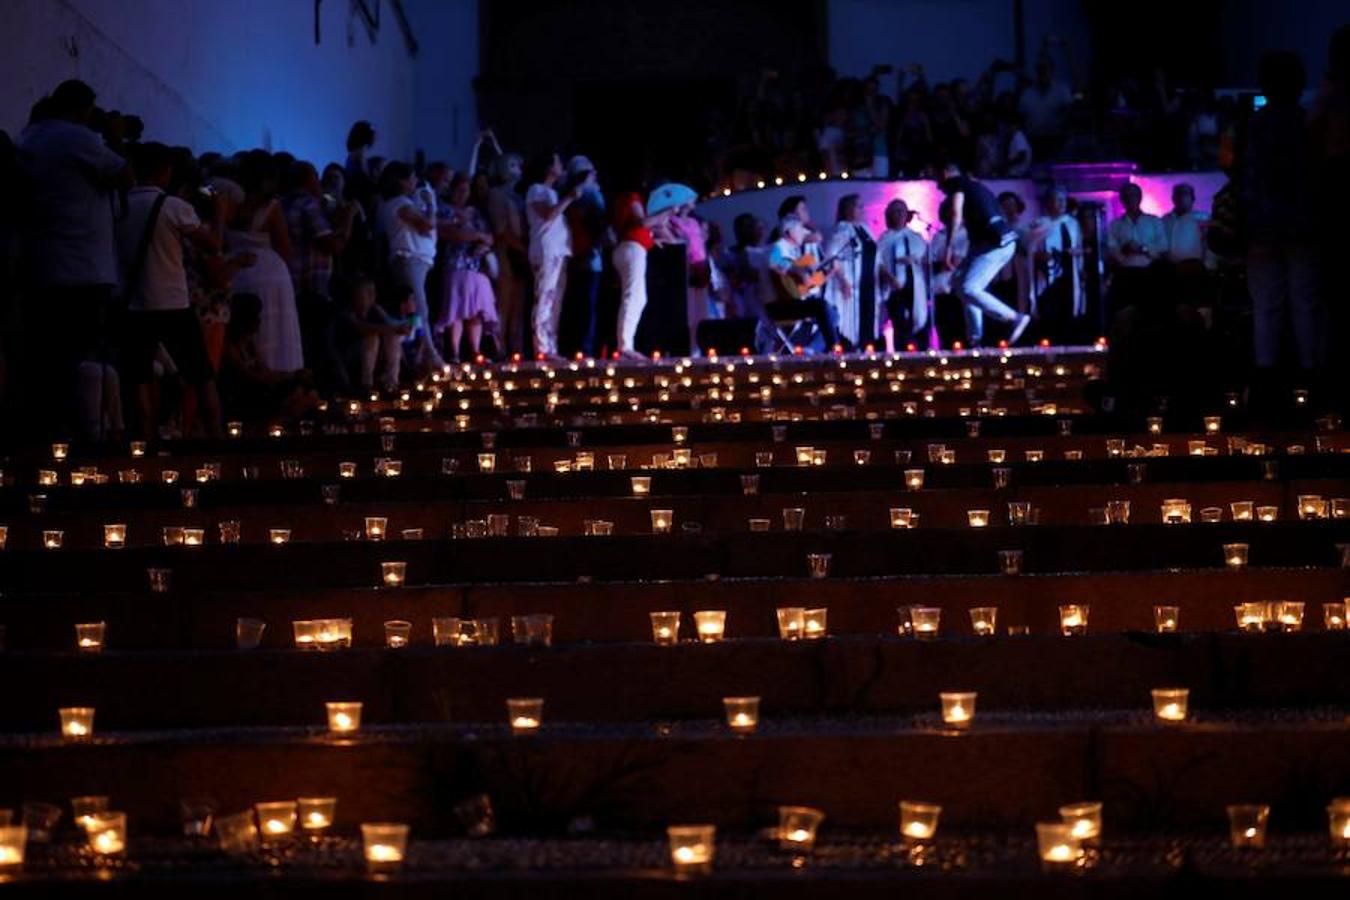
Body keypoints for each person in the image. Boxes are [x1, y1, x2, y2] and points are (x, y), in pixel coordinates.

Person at [17, 78, 134, 439]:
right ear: (83, 110)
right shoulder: (76, 138)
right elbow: (125, 175)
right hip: (82, 268)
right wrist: (114, 137)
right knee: (75, 358)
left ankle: (43, 432)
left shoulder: (29, 137)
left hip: (41, 263)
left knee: (45, 357)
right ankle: (73, 436)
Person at [115, 141, 224, 439]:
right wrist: (219, 212)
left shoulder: (118, 205)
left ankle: (145, 451)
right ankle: (217, 443)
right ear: (165, 171)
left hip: (135, 306)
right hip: (174, 304)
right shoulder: (174, 207)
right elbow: (213, 245)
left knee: (139, 380)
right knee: (202, 376)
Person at [1244, 51, 1325, 381]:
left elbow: (1241, 174)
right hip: (1303, 225)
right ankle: (1310, 379)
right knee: (1305, 303)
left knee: (1266, 307)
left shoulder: (1254, 126)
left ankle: (1266, 380)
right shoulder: (1307, 124)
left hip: (1261, 228)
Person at [225, 151, 304, 374]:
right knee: (275, 330)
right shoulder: (271, 206)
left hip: (235, 270)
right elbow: (284, 246)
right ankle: (281, 380)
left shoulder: (226, 201)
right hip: (270, 273)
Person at [938, 163, 1032, 346]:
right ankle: (975, 339)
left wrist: (947, 250)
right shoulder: (977, 188)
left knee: (969, 287)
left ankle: (1014, 318)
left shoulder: (957, 182)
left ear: (945, 173)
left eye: (937, 178)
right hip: (992, 243)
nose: (937, 186)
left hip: (996, 243)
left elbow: (956, 215)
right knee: (958, 282)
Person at [283, 160, 354, 393]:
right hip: (312, 288)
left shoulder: (282, 203)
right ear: (307, 179)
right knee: (321, 346)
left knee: (307, 345)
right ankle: (329, 397)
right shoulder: (307, 204)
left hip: (292, 285)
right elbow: (332, 244)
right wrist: (348, 217)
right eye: (316, 176)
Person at [377, 160, 444, 372]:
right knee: (417, 310)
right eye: (412, 177)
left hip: (418, 262)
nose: (415, 182)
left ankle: (421, 356)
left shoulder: (403, 203)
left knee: (419, 310)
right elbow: (426, 225)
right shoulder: (398, 203)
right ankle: (426, 356)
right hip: (408, 260)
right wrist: (431, 204)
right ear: (401, 181)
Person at [218, 292, 319, 422]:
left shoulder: (249, 345)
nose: (259, 321)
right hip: (243, 397)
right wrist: (289, 376)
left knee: (305, 390)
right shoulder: (229, 347)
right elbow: (250, 376)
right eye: (255, 317)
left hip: (259, 391)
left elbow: (265, 371)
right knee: (297, 395)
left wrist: (293, 375)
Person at [524, 152, 586, 360]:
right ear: (548, 167)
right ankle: (541, 347)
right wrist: (569, 197)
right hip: (546, 250)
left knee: (555, 300)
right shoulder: (536, 190)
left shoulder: (551, 191)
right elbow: (548, 214)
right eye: (558, 162)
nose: (561, 166)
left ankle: (551, 347)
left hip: (559, 250)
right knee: (545, 296)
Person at [435, 172, 498, 362]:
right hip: (455, 265)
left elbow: (489, 236)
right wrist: (475, 236)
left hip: (475, 267)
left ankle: (475, 350)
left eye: (466, 190)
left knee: (475, 311)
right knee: (456, 310)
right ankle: (454, 352)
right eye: (459, 190)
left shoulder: (475, 213)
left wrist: (483, 241)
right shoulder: (445, 210)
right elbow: (448, 233)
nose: (463, 194)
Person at [612, 188, 674, 360]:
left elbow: (636, 228)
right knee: (633, 297)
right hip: (631, 250)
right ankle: (625, 347)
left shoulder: (629, 197)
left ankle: (625, 345)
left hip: (631, 249)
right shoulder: (632, 195)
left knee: (637, 297)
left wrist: (652, 240)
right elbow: (642, 223)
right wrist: (665, 212)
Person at [765, 215, 840, 349]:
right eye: (800, 230)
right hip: (779, 305)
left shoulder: (796, 252)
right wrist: (796, 268)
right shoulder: (778, 247)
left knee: (832, 312)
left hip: (795, 300)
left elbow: (807, 286)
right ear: (789, 232)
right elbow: (772, 263)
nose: (804, 233)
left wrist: (831, 272)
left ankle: (811, 349)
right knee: (821, 306)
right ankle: (831, 349)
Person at [559, 155, 605, 358]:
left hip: (574, 254)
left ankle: (573, 346)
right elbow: (598, 226)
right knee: (586, 306)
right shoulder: (591, 195)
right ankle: (584, 348)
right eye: (592, 172)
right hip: (588, 255)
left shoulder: (569, 195)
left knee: (576, 304)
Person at [334, 274, 410, 393]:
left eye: (373, 293)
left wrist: (398, 329)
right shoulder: (345, 313)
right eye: (368, 293)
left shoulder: (375, 309)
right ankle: (366, 385)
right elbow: (359, 328)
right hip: (349, 358)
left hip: (373, 358)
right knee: (372, 338)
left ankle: (391, 382)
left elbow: (391, 326)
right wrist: (392, 328)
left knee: (392, 337)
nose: (372, 297)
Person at [1028, 185, 1086, 334]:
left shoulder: (1072, 223)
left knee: (1069, 304)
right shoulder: (1039, 224)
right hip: (1046, 272)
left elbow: (1080, 246)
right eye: (1057, 200)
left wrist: (1075, 253)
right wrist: (1040, 255)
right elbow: (1030, 250)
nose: (1062, 204)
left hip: (1069, 271)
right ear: (1048, 203)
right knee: (1048, 306)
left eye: (1063, 200)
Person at [875, 198, 931, 351]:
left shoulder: (916, 237)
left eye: (902, 211)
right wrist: (888, 276)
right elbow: (878, 262)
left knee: (920, 320)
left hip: (915, 285)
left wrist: (914, 260)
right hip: (894, 286)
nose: (899, 214)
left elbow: (924, 258)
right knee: (899, 322)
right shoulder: (884, 239)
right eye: (895, 211)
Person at [486, 153, 528, 356]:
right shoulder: (496, 194)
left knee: (518, 303)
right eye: (511, 165)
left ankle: (515, 346)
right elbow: (500, 228)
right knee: (504, 300)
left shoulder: (519, 196)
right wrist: (521, 247)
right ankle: (499, 345)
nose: (517, 169)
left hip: (520, 253)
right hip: (505, 252)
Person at [1106, 182, 1168, 312]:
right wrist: (1124, 251)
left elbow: (1163, 246)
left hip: (1149, 274)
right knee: (1125, 312)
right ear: (1122, 200)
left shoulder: (1154, 221)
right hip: (1124, 276)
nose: (1130, 198)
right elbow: (1111, 249)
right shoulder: (1115, 225)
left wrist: (1143, 249)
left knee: (1149, 313)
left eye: (1134, 195)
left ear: (1140, 197)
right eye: (1127, 196)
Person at [823, 193, 875, 348]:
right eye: (858, 206)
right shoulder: (842, 230)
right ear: (847, 209)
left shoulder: (865, 229)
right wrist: (843, 280)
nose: (862, 209)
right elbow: (832, 257)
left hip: (868, 282)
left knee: (867, 320)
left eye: (862, 206)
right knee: (850, 321)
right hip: (850, 283)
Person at [668, 204, 712, 354]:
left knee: (702, 310)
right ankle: (689, 349)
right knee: (689, 311)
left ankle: (701, 348)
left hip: (701, 265)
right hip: (686, 266)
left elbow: (701, 244)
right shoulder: (672, 220)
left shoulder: (694, 221)